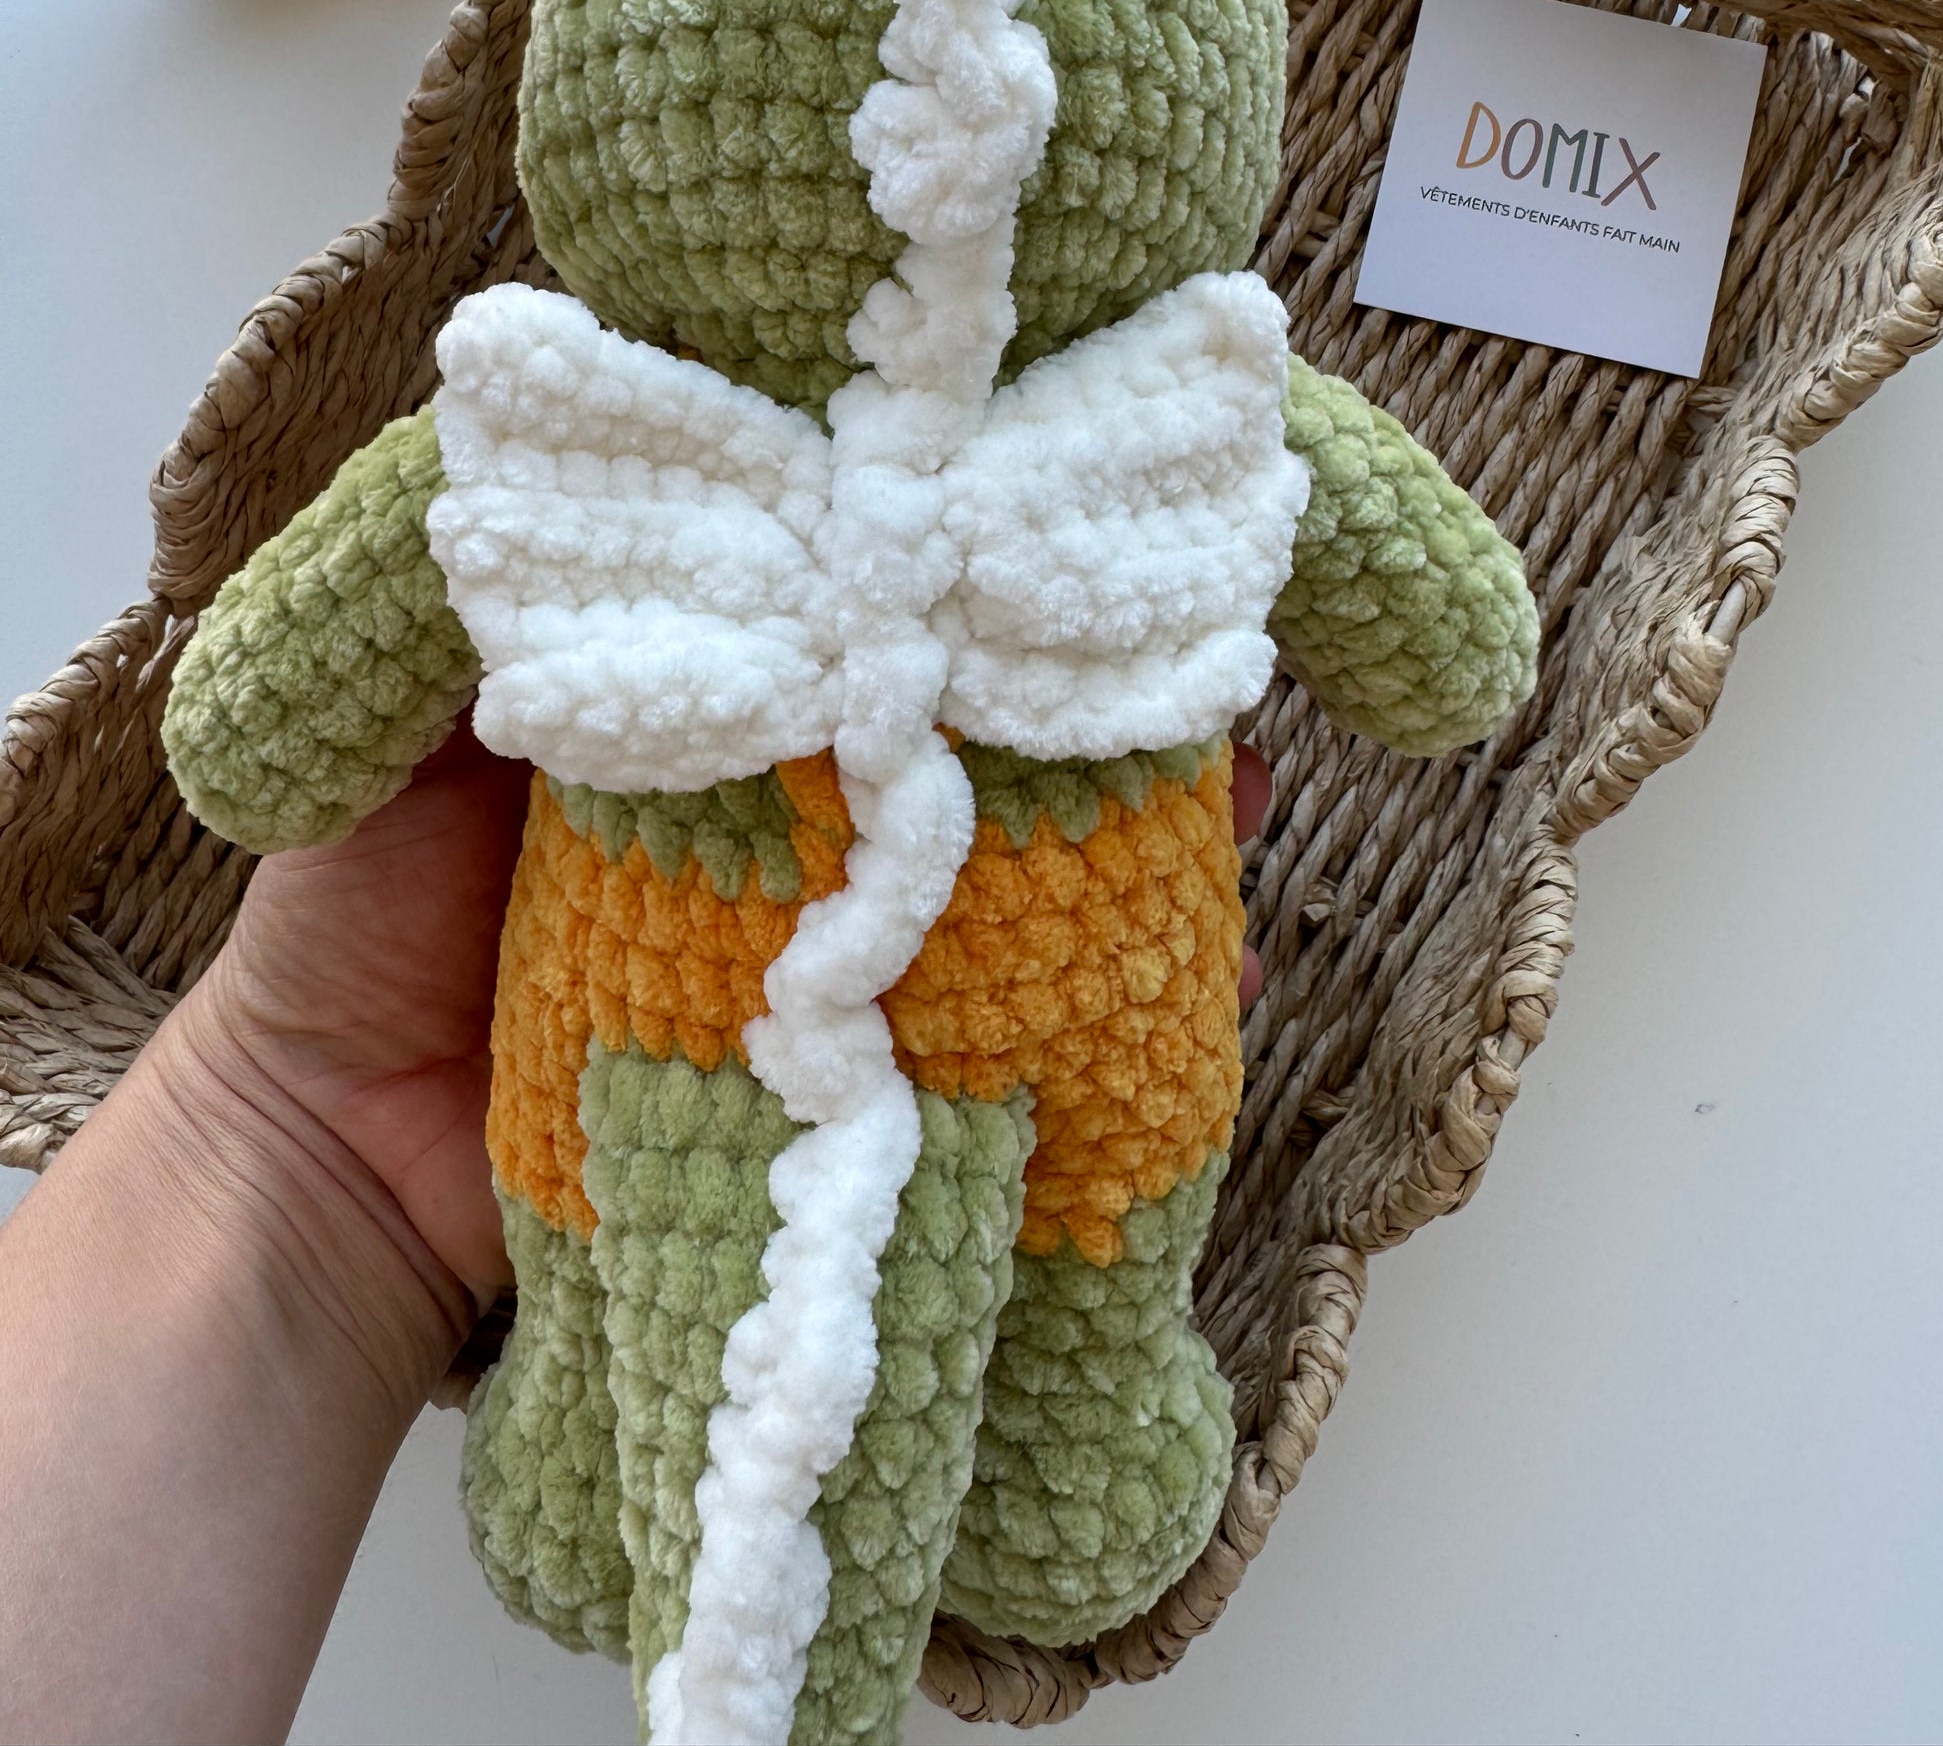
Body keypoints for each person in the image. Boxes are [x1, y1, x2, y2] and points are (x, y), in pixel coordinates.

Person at [0, 726, 1272, 1746]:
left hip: (975, 977)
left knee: (1080, 1267)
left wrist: (297, 1124)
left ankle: (1061, 1398)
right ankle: (593, 1399)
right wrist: (293, 1119)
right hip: (650, 994)